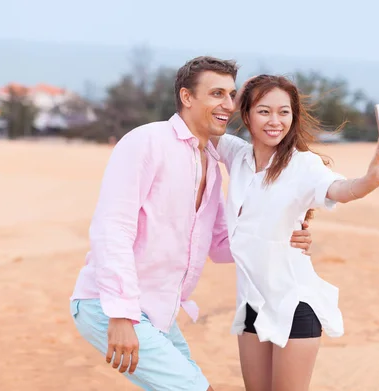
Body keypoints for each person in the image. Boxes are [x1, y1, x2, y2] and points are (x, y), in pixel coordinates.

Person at [69, 57, 314, 391]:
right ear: (187, 97)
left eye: (230, 95)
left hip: (158, 311)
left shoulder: (211, 163)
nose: (227, 105)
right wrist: (121, 315)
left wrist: (282, 233)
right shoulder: (147, 142)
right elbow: (112, 229)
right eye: (216, 94)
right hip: (110, 305)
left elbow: (219, 245)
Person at [212, 74, 379, 391]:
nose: (275, 121)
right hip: (252, 304)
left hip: (294, 305)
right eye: (263, 111)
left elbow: (342, 189)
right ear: (246, 115)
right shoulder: (237, 155)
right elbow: (202, 126)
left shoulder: (303, 165)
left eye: (284, 112)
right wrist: (235, 98)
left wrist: (374, 178)